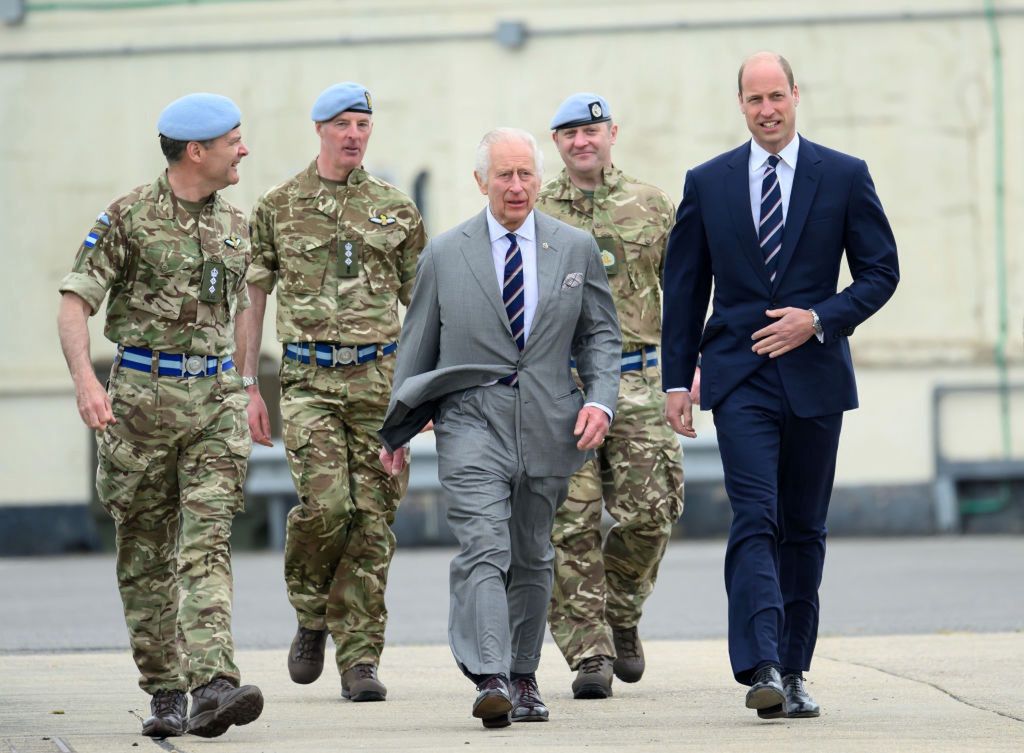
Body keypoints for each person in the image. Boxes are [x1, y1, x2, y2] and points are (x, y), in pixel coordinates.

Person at [661, 52, 899, 720]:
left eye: (777, 96)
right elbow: (684, 290)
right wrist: (676, 380)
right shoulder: (708, 183)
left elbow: (882, 271)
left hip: (816, 377)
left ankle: (794, 668)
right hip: (738, 377)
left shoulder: (843, 176)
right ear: (740, 104)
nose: (767, 110)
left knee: (803, 528)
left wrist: (820, 318)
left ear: (797, 94)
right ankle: (759, 661)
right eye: (754, 99)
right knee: (755, 514)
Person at [378, 128, 621, 728]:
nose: (517, 186)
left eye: (526, 175)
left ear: (540, 181)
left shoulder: (575, 247)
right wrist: (397, 429)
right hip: (469, 420)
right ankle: (490, 676)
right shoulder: (444, 252)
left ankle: (522, 673)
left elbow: (600, 336)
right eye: (504, 175)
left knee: (534, 554)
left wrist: (602, 402)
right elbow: (418, 345)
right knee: (484, 547)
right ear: (481, 181)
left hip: (549, 422)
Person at [56, 93, 263, 738]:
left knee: (207, 541)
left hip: (214, 404)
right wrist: (87, 383)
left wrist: (246, 379)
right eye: (235, 140)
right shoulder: (127, 218)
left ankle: (214, 683)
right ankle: (167, 692)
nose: (245, 150)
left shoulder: (237, 223)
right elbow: (73, 303)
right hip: (139, 407)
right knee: (144, 555)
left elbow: (246, 309)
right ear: (195, 151)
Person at [234, 82, 426, 702]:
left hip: (380, 381)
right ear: (319, 128)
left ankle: (361, 659)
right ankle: (313, 610)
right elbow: (254, 296)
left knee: (373, 520)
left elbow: (422, 306)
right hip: (309, 379)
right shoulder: (279, 205)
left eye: (363, 124)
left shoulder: (396, 209)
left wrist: (423, 394)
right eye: (341, 123)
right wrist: (247, 385)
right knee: (328, 509)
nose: (353, 134)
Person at [536, 93, 684, 699]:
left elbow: (685, 287)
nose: (581, 141)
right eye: (569, 133)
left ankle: (620, 611)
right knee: (568, 522)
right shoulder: (535, 208)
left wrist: (687, 368)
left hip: (638, 377)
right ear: (557, 143)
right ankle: (587, 653)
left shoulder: (652, 205)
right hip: (560, 382)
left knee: (653, 511)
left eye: (591, 130)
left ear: (612, 133)